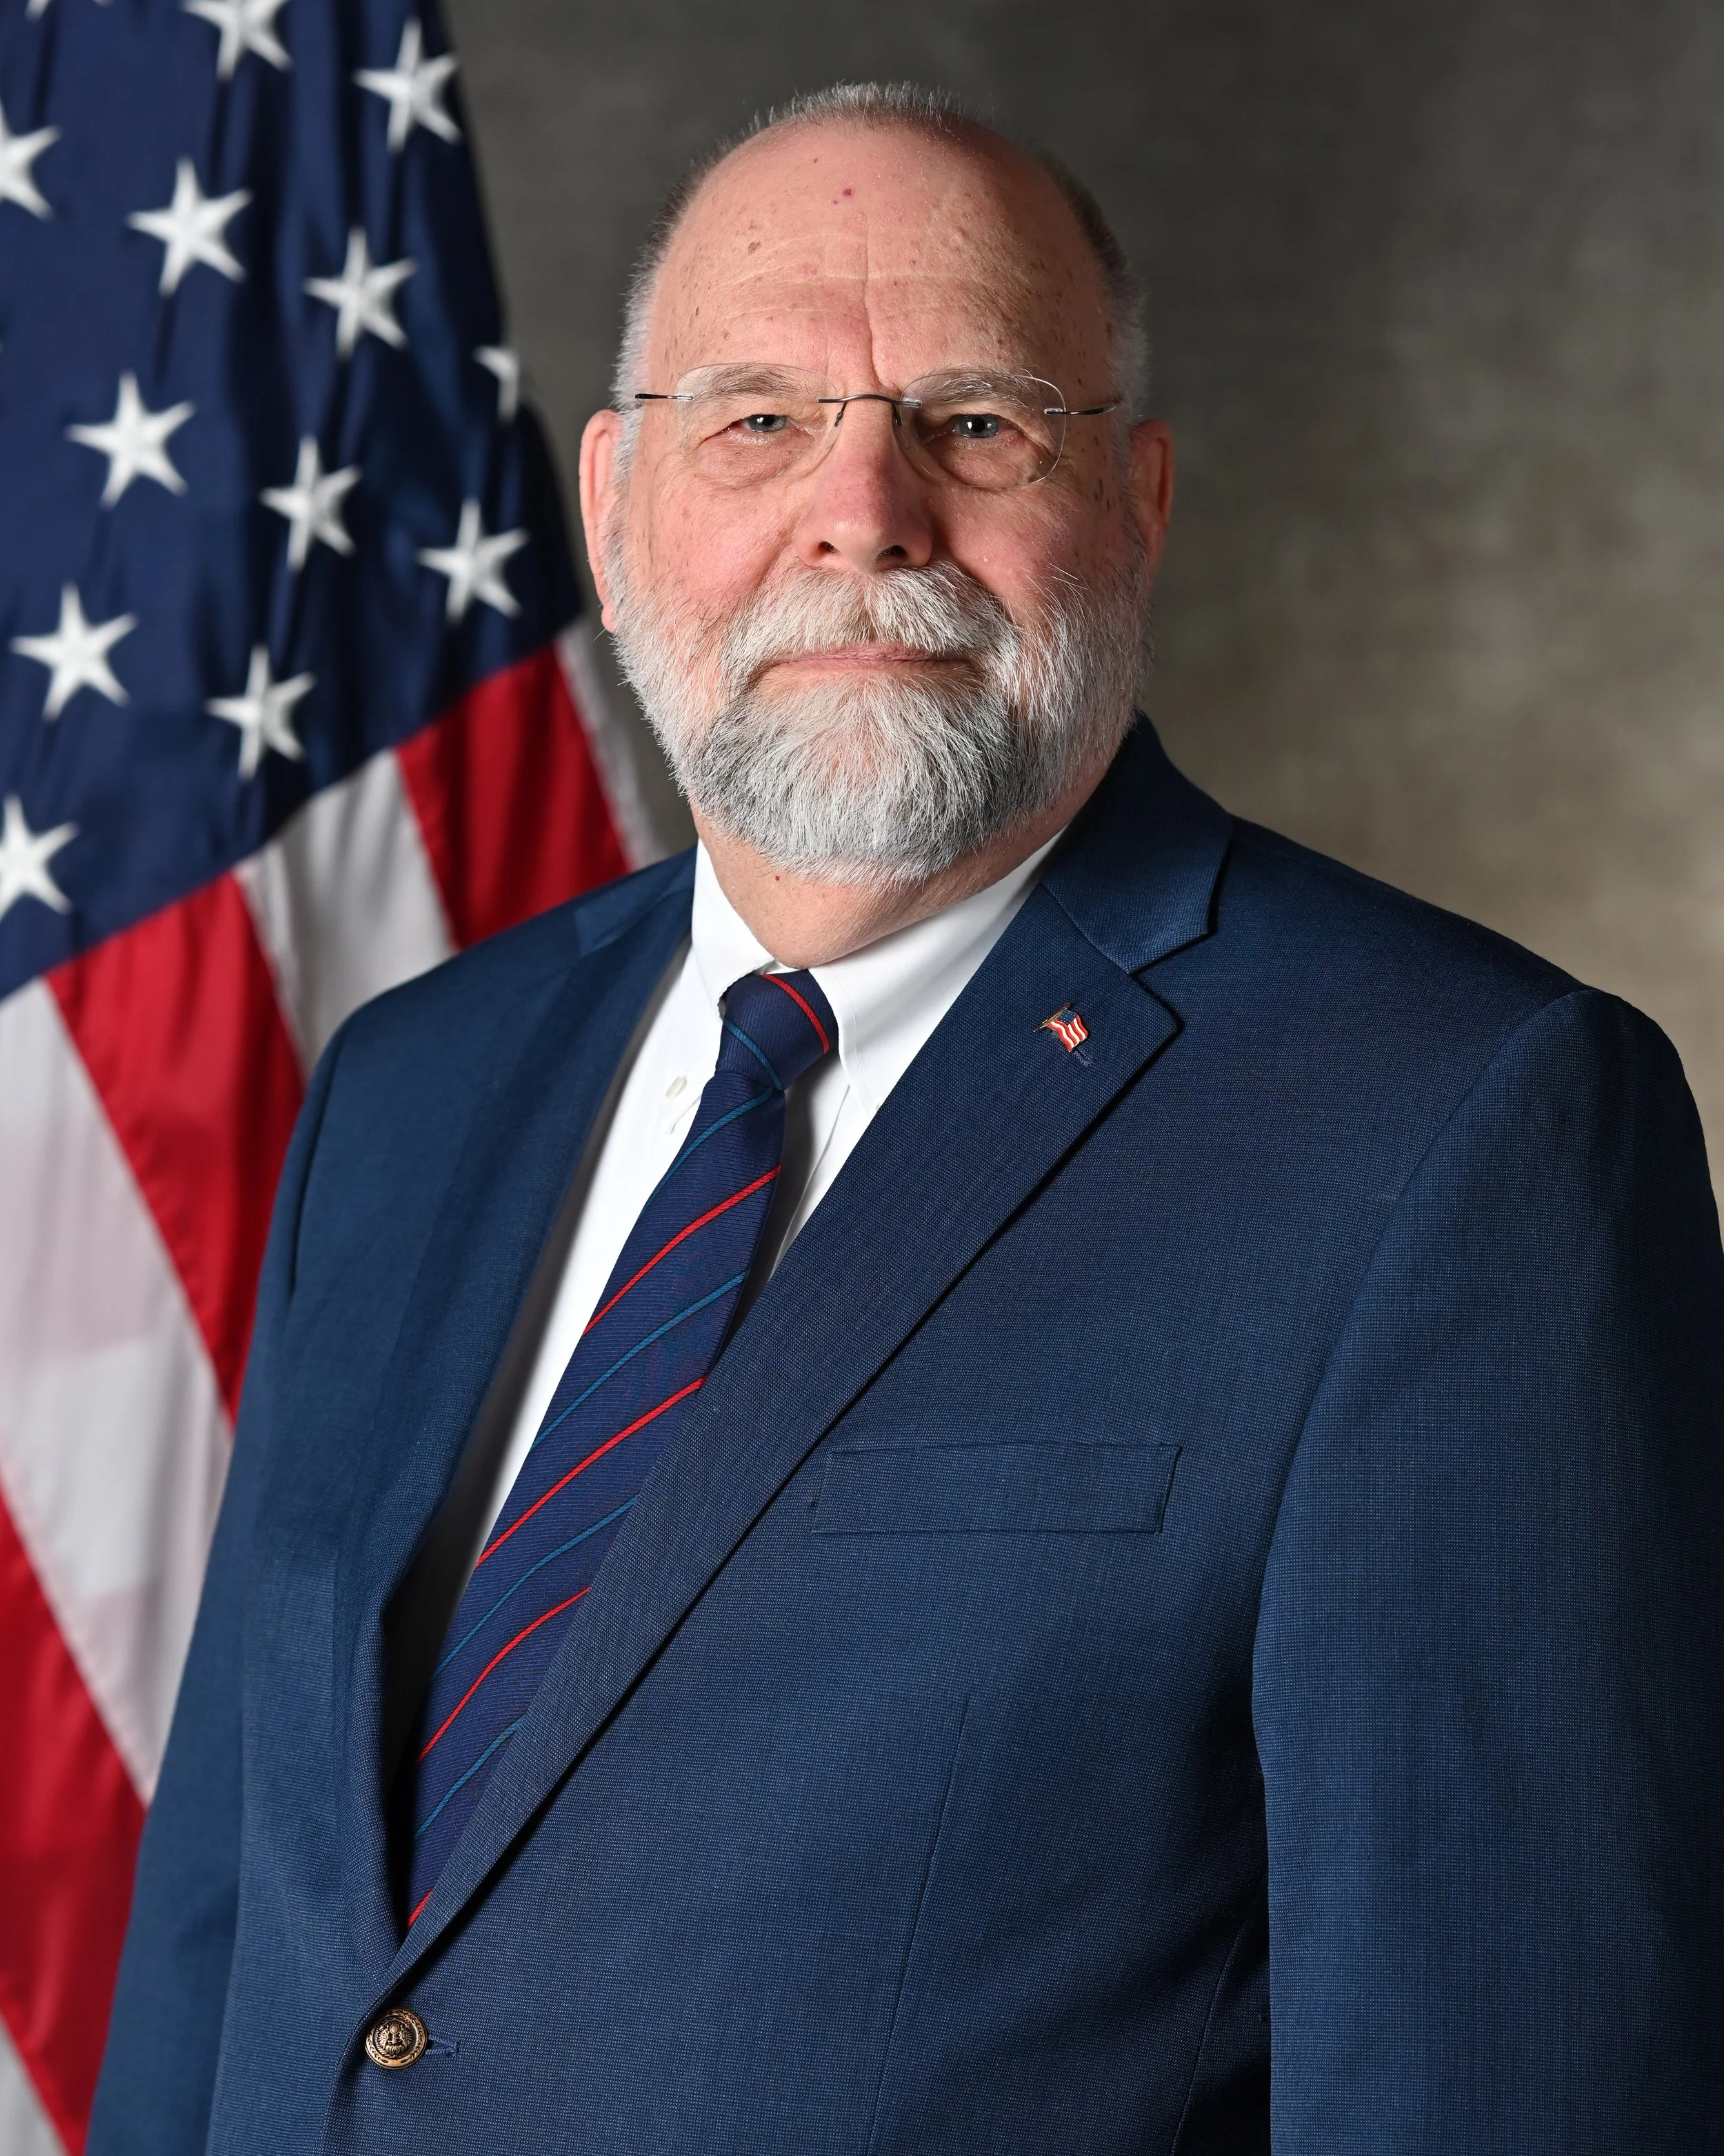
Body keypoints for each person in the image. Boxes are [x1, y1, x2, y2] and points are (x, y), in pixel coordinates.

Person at [91, 83, 1722, 2156]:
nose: (861, 511)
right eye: (754, 420)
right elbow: (229, 1935)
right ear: (615, 502)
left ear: (1133, 496)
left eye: (974, 420)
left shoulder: (1461, 1122)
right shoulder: (417, 1079)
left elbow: (1507, 2095)